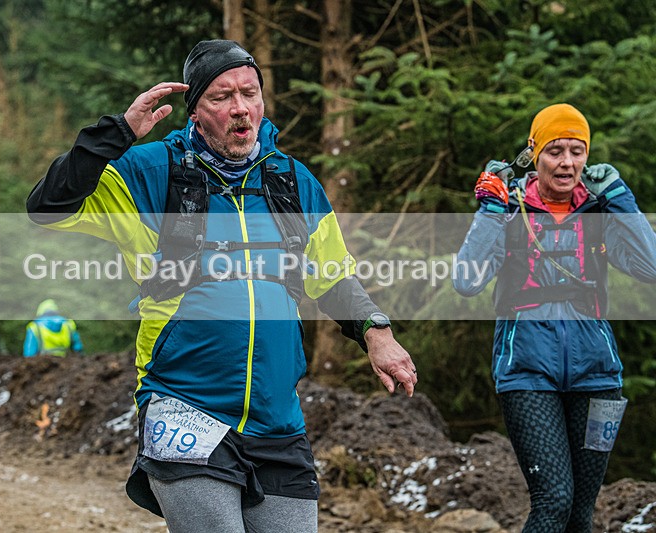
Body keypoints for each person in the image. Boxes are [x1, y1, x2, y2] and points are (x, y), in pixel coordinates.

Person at [27, 39, 417, 531]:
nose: (240, 109)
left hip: (277, 419)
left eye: (250, 93)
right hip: (185, 403)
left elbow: (333, 275)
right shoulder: (149, 172)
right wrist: (119, 134)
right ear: (194, 111)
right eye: (221, 97)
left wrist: (377, 334)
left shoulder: (293, 182)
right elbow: (48, 207)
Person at [453, 103, 656, 532]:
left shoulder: (601, 210)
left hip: (599, 375)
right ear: (534, 154)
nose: (567, 162)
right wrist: (490, 210)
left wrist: (623, 199)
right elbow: (466, 282)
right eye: (555, 150)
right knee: (554, 500)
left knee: (582, 512)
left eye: (577, 151)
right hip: (527, 373)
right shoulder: (511, 210)